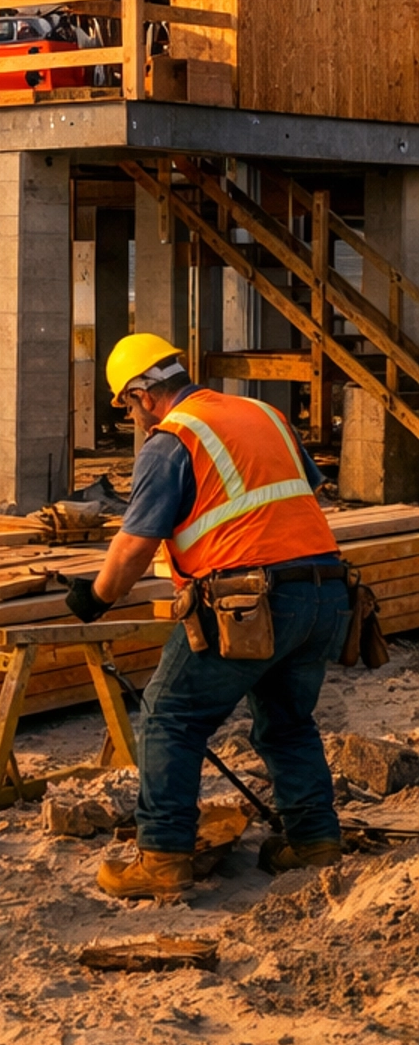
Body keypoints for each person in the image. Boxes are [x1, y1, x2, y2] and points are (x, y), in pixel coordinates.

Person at [66, 333, 347, 901]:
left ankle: (164, 858)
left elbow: (134, 547)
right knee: (288, 724)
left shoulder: (173, 440)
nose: (131, 417)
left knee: (170, 717)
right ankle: (314, 841)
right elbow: (288, 500)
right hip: (326, 594)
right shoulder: (262, 413)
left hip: (248, 602)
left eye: (127, 404)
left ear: (144, 394)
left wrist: (94, 599)